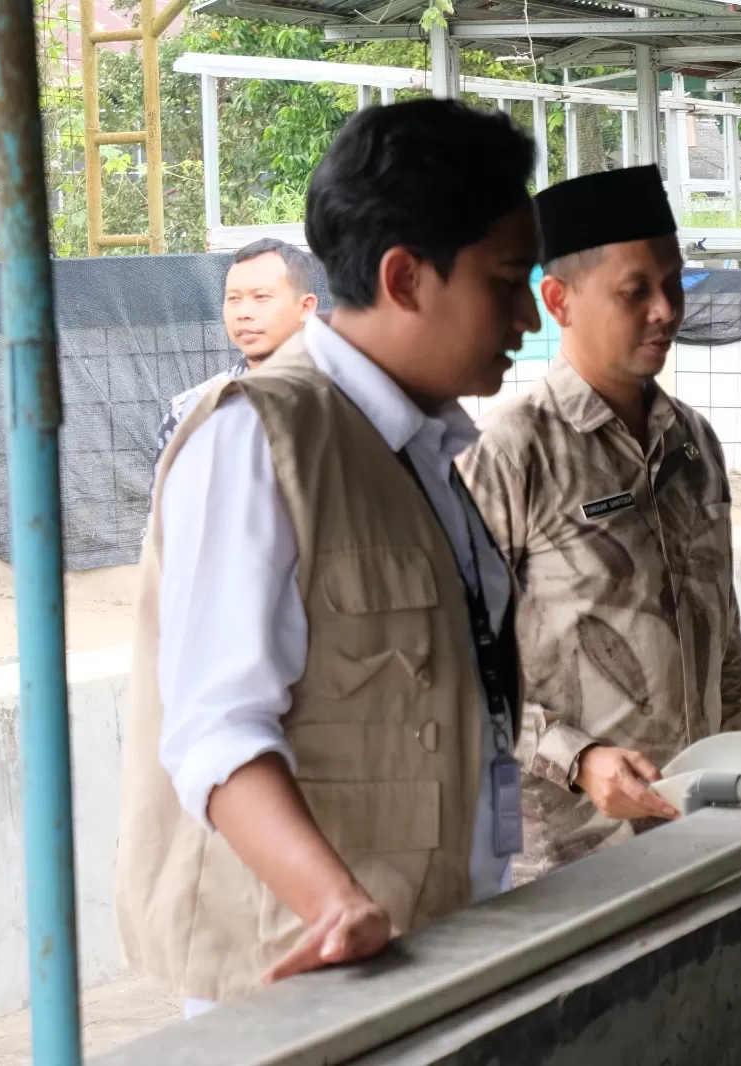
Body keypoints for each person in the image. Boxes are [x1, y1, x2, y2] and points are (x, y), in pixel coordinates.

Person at [115, 99, 542, 1013]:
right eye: (507, 281)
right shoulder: (262, 438)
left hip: (422, 948)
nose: (524, 315)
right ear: (405, 277)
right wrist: (334, 902)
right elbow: (214, 729)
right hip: (302, 973)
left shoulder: (423, 447)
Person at [460, 164, 741, 884]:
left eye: (675, 284)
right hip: (571, 856)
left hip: (702, 825)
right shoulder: (512, 452)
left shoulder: (694, 442)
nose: (666, 310)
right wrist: (576, 758)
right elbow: (458, 669)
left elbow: (725, 635)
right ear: (558, 301)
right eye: (636, 291)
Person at [153, 238, 318, 463]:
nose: (243, 312)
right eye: (233, 299)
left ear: (305, 307)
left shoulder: (348, 401)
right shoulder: (190, 411)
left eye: (261, 297)